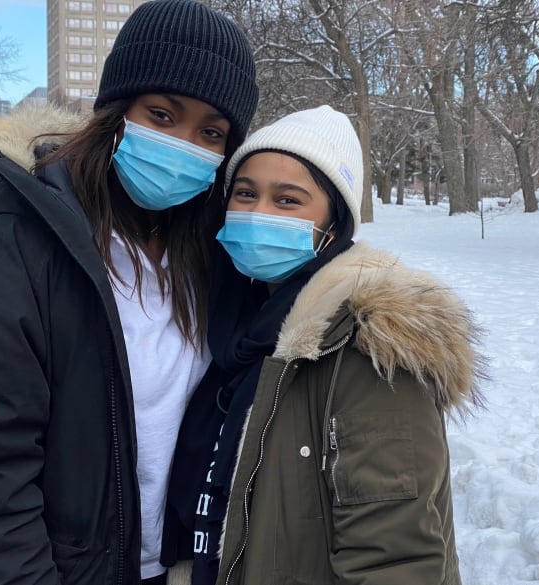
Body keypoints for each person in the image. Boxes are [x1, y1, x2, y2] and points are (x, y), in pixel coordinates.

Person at [0, 1, 258, 584]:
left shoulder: (214, 251)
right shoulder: (24, 234)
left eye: (210, 132)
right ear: (115, 111)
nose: (183, 144)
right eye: (161, 114)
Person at [161, 106, 485, 585]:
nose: (258, 214)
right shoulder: (232, 329)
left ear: (334, 225)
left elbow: (395, 561)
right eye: (245, 194)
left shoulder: (369, 347)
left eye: (288, 201)